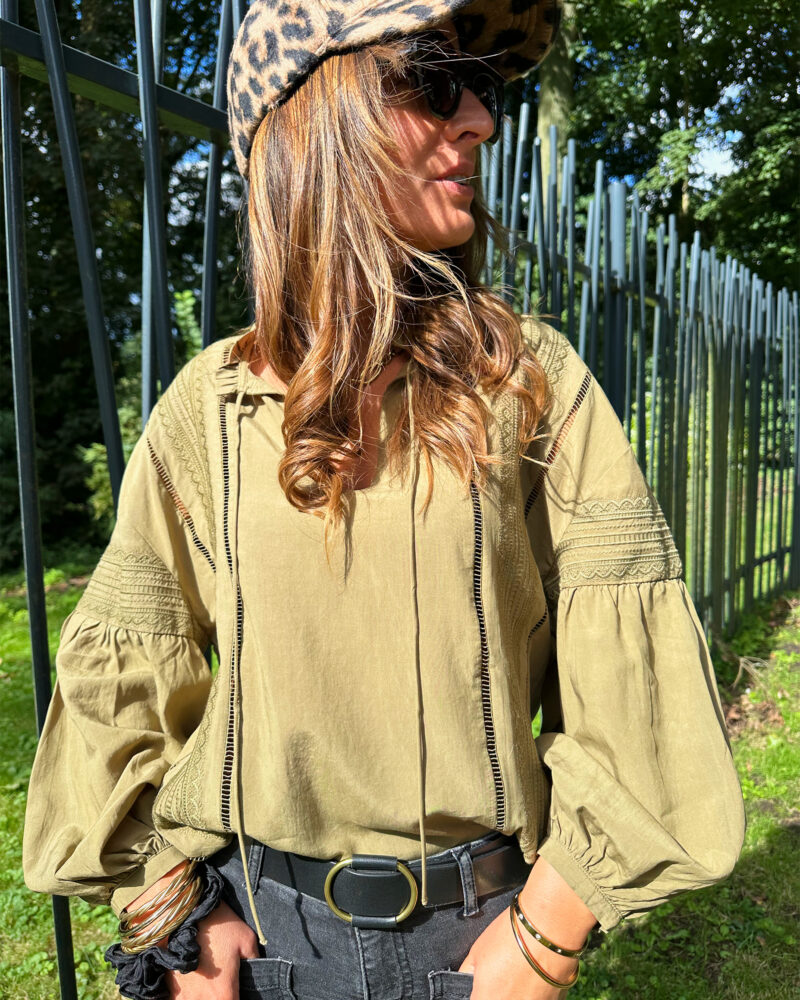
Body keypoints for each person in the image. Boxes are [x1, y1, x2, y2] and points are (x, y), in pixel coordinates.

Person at [23, 2, 746, 998]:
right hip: (257, 947)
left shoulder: (530, 383)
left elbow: (634, 699)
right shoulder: (210, 406)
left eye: (482, 89)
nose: (478, 122)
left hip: (484, 939)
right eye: (430, 79)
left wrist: (545, 933)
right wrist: (168, 911)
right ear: (312, 119)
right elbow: (125, 673)